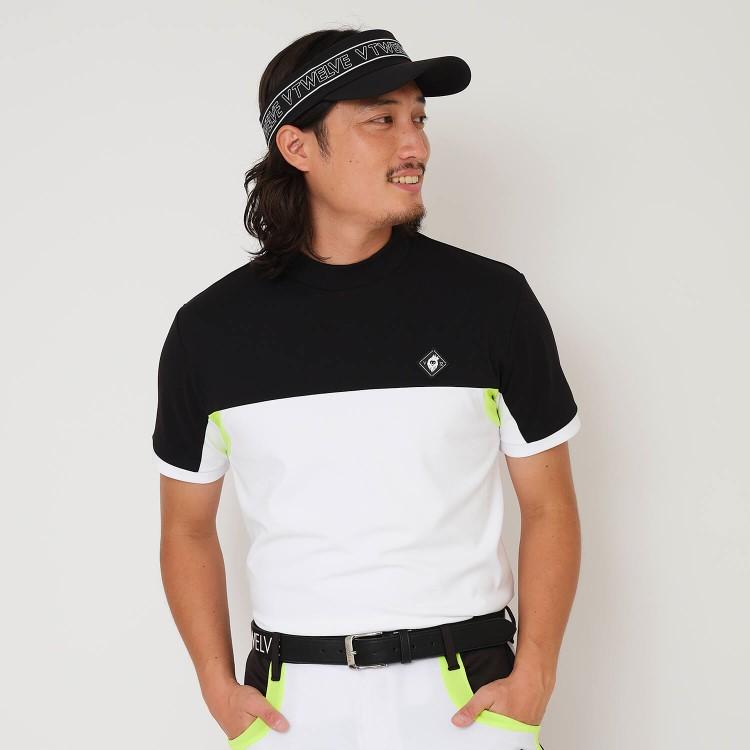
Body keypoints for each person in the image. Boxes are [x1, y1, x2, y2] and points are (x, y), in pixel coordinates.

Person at [152, 25, 581, 750]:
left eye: (418, 118)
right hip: (292, 705)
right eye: (381, 120)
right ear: (298, 147)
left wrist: (535, 671)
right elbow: (185, 527)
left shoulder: (492, 303)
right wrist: (216, 684)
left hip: (470, 699)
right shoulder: (210, 330)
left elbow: (551, 505)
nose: (415, 145)